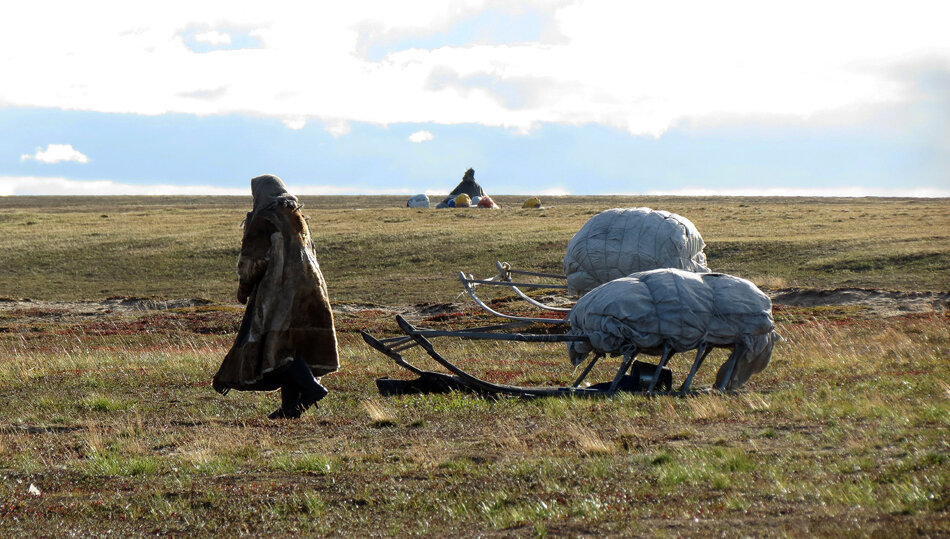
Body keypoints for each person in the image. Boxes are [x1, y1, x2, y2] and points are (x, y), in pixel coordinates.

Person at [212, 174, 339, 419]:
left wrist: (244, 289)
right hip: (311, 290)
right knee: (294, 346)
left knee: (278, 348)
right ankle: (291, 406)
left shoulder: (264, 219)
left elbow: (253, 261)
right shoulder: (296, 215)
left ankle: (312, 388)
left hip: (280, 291)